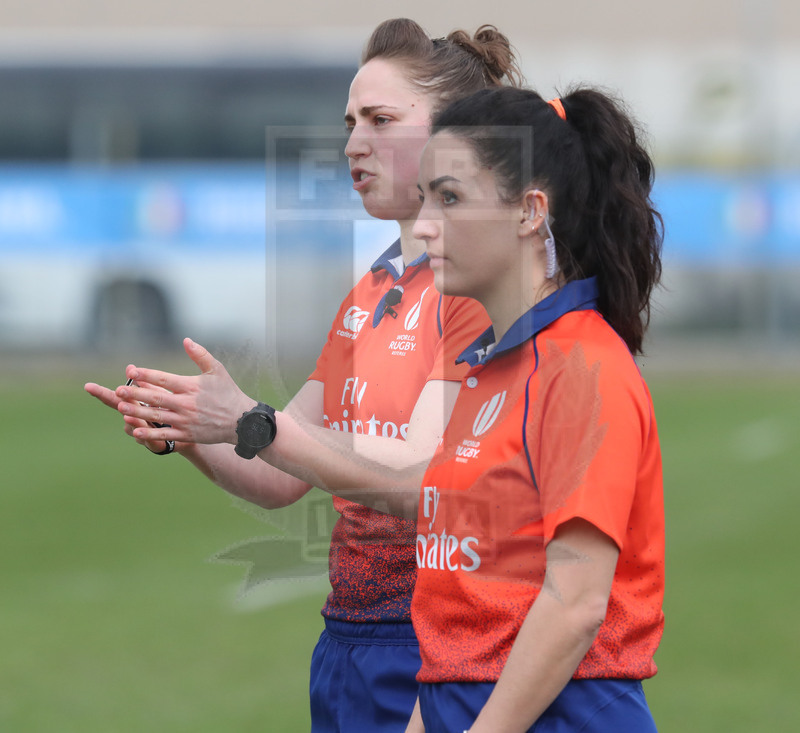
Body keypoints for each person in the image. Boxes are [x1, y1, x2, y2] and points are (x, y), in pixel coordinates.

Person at [85, 18, 523, 733]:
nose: (353, 143)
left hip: (430, 641)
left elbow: (424, 481)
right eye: (350, 122)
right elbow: (283, 471)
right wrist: (193, 430)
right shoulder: (373, 289)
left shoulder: (477, 289)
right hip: (347, 641)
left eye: (381, 119)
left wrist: (252, 422)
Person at [399, 86, 665, 731]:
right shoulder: (489, 365)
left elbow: (575, 604)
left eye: (450, 197)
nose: (424, 223)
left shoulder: (581, 367)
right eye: (423, 199)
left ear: (529, 212)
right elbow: (458, 614)